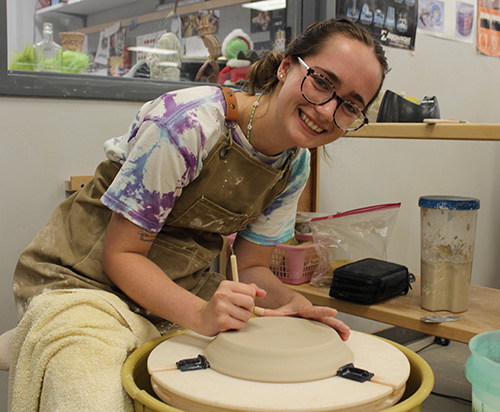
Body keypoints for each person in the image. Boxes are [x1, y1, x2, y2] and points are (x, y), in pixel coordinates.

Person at [9, 18, 388, 412]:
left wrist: (293, 303)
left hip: (178, 287)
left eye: (350, 106)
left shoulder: (294, 167)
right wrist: (199, 315)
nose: (327, 112)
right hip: (82, 281)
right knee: (95, 398)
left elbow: (254, 269)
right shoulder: (186, 123)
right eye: (322, 82)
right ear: (286, 66)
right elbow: (121, 255)